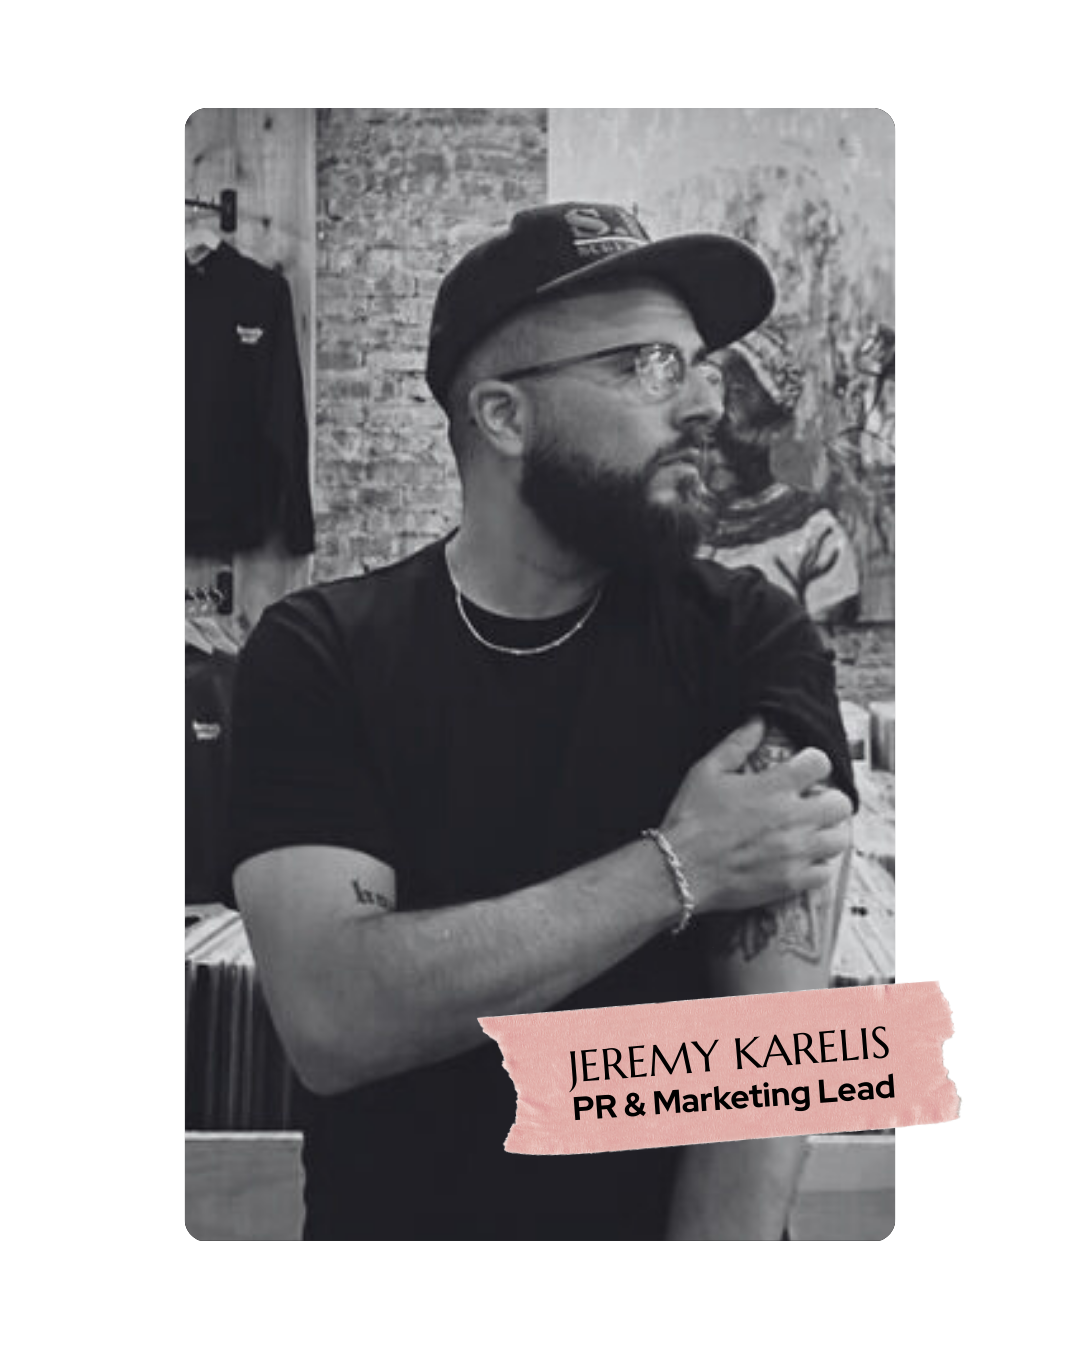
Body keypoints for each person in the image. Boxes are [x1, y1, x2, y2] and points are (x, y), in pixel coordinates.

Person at [228, 202, 857, 1247]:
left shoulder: (748, 634)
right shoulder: (317, 652)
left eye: (703, 363)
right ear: (505, 418)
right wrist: (678, 866)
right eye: (651, 365)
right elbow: (335, 1020)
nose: (706, 402)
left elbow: (770, 1055)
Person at [698, 326, 860, 622]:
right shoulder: (678, 533)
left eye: (734, 392)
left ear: (774, 427)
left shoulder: (816, 537)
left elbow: (826, 650)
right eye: (706, 387)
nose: (714, 416)